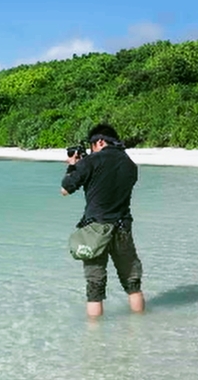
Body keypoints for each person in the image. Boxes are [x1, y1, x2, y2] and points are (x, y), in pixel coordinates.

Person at [60, 124, 145, 318]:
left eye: (92, 146)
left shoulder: (90, 162)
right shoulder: (130, 165)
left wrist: (73, 165)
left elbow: (65, 189)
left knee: (95, 288)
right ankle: (139, 330)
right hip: (123, 227)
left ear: (100, 141)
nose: (91, 150)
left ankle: (94, 342)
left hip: (95, 230)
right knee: (133, 284)